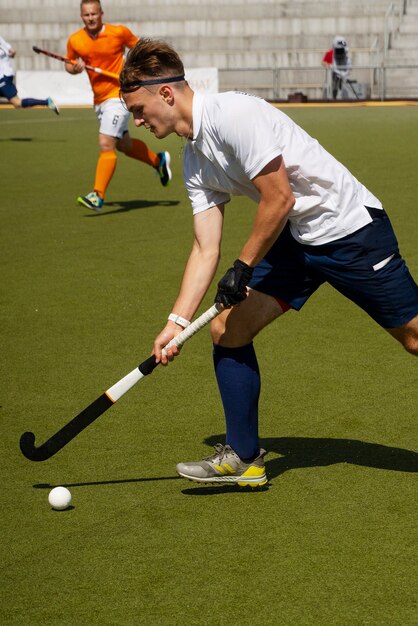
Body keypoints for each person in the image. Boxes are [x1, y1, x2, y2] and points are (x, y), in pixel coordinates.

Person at [120, 38, 418, 488]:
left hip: (349, 229)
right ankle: (243, 457)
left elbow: (280, 197)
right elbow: (205, 247)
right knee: (227, 329)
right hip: (296, 239)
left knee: (414, 338)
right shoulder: (193, 158)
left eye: (139, 109)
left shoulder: (233, 116)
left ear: (166, 93)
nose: (137, 121)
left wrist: (242, 266)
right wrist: (176, 321)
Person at [65, 0, 171, 211]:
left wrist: (138, 73)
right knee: (124, 145)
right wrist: (74, 68)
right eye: (87, 15)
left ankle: (97, 195)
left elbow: (140, 50)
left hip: (120, 95)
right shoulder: (75, 40)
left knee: (106, 143)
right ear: (81, 17)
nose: (91, 18)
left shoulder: (118, 33)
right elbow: (69, 63)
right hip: (100, 100)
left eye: (94, 13)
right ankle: (158, 162)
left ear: (101, 13)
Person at [0, 36, 59, 114]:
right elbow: (12, 52)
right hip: (6, 73)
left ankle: (47, 102)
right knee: (17, 103)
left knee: (17, 103)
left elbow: (12, 52)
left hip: (3, 76)